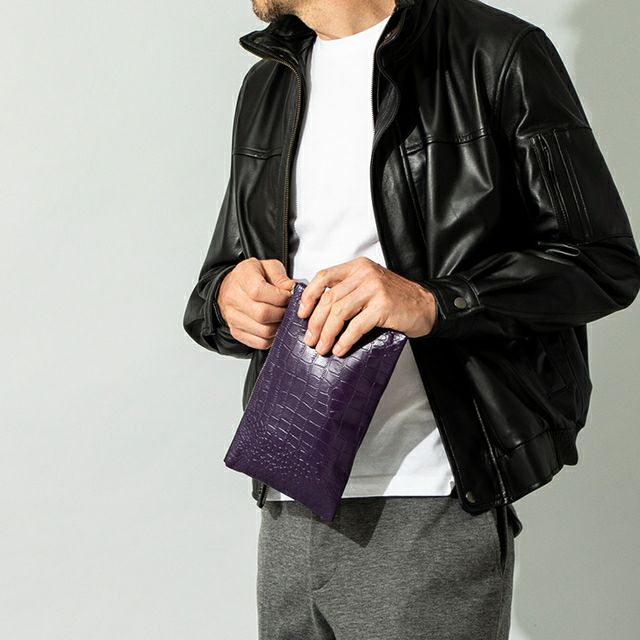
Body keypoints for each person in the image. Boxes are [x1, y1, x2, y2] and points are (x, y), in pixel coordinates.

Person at [183, 0, 640, 637]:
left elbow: (599, 261)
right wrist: (227, 299)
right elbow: (218, 282)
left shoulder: (493, 53)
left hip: (430, 489)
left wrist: (433, 302)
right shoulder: (271, 81)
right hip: (291, 491)